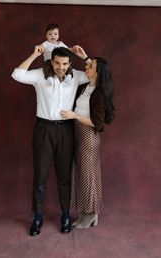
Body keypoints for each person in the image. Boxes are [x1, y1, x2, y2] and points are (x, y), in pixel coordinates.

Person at [11, 45, 90, 236]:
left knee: (64, 177)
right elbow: (17, 74)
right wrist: (34, 54)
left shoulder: (76, 76)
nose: (60, 67)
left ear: (70, 63)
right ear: (51, 61)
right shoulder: (40, 75)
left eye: (64, 63)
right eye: (57, 63)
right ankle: (37, 217)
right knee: (40, 177)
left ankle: (65, 215)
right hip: (43, 129)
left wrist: (85, 56)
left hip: (65, 131)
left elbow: (96, 74)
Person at [61, 57, 115, 229]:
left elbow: (97, 123)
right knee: (81, 174)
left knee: (88, 175)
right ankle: (85, 212)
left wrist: (74, 116)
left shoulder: (99, 93)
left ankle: (91, 213)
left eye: (90, 66)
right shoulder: (86, 87)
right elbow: (89, 62)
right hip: (78, 133)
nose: (87, 67)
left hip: (88, 135)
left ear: (98, 73)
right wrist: (85, 56)